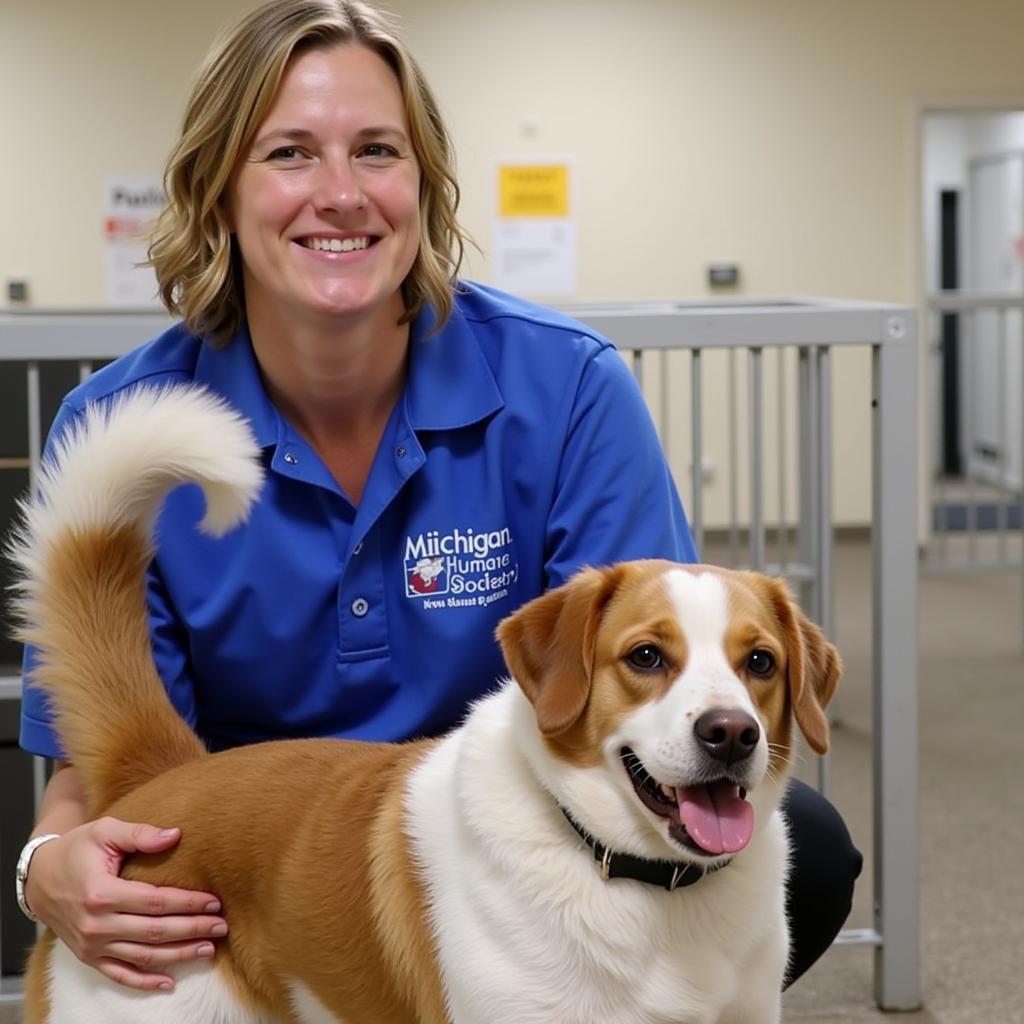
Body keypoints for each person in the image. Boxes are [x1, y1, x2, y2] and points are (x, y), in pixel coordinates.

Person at [17, 0, 861, 997]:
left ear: (422, 185)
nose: (340, 193)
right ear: (217, 189)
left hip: (504, 818)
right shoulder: (116, 416)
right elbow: (105, 772)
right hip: (261, 855)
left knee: (798, 836)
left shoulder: (570, 385)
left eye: (377, 151)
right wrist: (44, 869)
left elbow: (661, 689)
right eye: (289, 153)